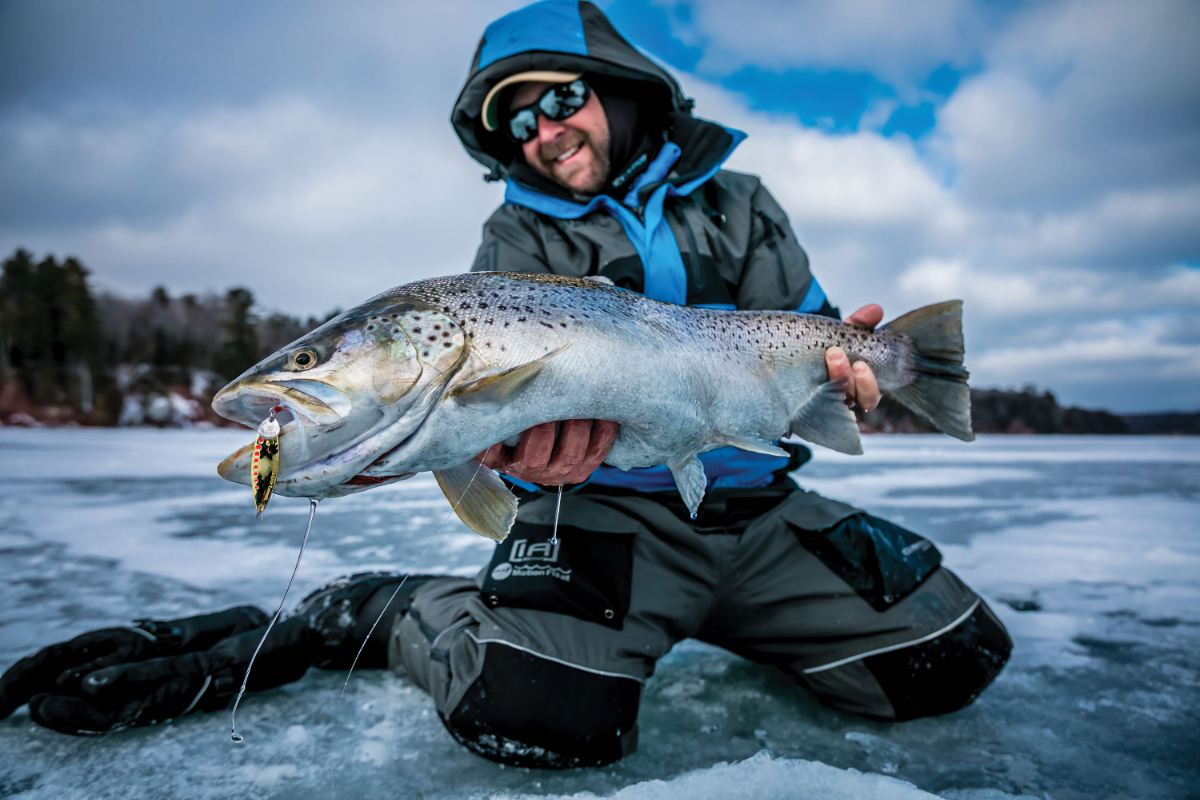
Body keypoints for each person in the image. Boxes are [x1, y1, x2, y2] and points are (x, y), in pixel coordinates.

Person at [0, 0, 1011, 768]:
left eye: (561, 99)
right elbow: (472, 444)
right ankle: (395, 609)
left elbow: (809, 330)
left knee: (948, 660)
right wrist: (506, 462)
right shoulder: (508, 245)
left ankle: (749, 604)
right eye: (519, 120)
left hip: (755, 504)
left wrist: (859, 374)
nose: (543, 131)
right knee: (534, 719)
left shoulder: (741, 201)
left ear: (617, 88)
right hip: (607, 519)